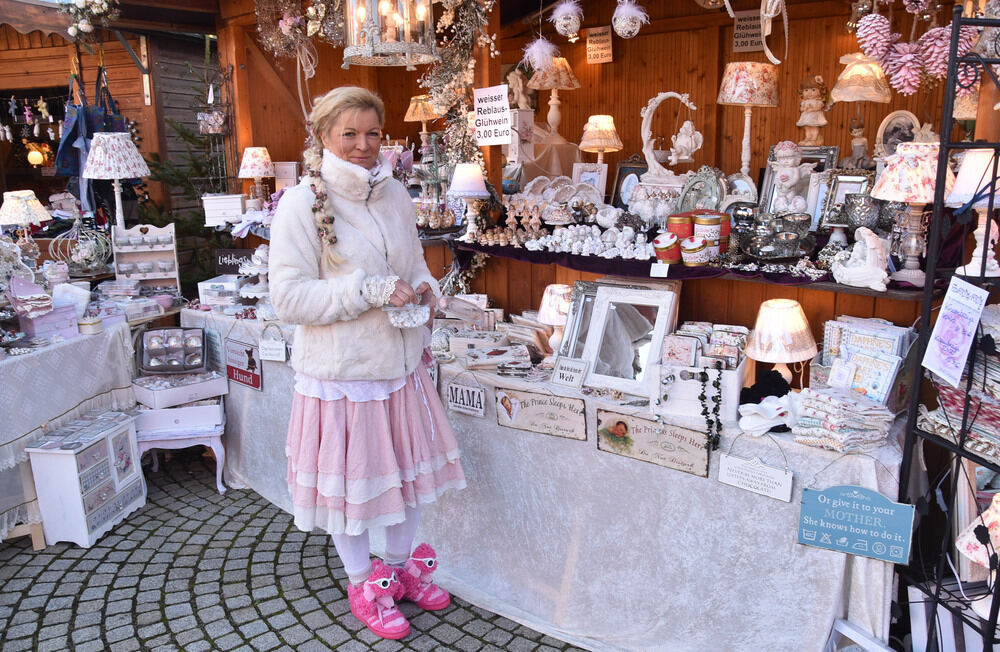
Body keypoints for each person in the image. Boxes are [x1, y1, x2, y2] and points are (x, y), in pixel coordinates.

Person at [269, 86, 466, 641]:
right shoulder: (299, 203)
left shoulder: (396, 195)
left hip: (400, 369)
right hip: (343, 378)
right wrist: (368, 290)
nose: (362, 145)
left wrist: (427, 291)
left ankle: (400, 574)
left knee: (404, 480)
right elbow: (289, 300)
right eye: (348, 133)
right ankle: (363, 583)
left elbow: (415, 266)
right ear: (324, 137)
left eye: (372, 133)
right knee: (355, 489)